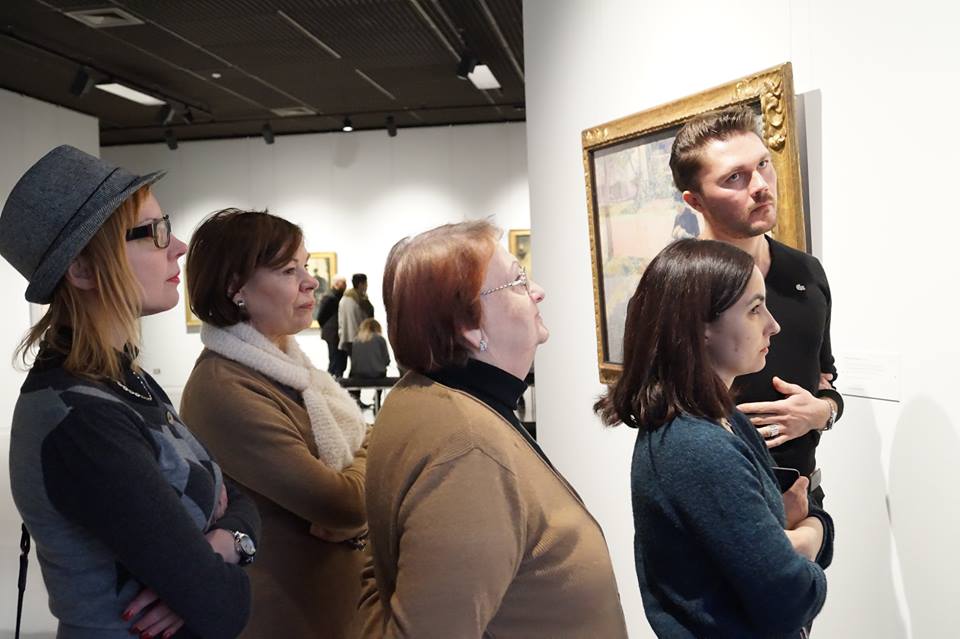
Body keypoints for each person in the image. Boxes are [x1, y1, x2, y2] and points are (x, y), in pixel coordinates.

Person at [0, 146, 260, 639]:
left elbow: (240, 500)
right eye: (154, 232)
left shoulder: (126, 381)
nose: (178, 246)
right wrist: (212, 570)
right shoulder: (81, 419)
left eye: (168, 225)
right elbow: (223, 606)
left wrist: (221, 545)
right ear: (83, 270)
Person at [358, 221, 628, 638]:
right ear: (469, 326)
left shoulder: (427, 398)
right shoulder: (468, 450)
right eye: (518, 282)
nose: (538, 291)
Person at [596, 238, 834, 637]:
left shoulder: (720, 419)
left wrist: (789, 537)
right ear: (701, 326)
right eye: (755, 309)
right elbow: (791, 597)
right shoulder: (696, 445)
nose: (773, 325)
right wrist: (812, 533)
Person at [180, 209, 368, 639]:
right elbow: (342, 504)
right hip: (282, 615)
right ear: (235, 287)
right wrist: (364, 482)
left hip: (328, 606)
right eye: (288, 270)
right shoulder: (225, 386)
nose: (311, 281)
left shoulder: (291, 369)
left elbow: (367, 447)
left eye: (305, 265)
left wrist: (363, 467)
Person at [670, 107, 843, 506]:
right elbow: (654, 414)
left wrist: (821, 413)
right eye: (735, 177)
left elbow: (826, 379)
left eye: (763, 164)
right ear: (695, 200)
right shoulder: (676, 287)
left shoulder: (806, 271)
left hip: (804, 494)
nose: (761, 186)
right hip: (718, 503)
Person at [317, 275, 348, 377]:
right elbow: (321, 316)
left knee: (341, 360)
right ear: (336, 284)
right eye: (343, 283)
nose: (345, 286)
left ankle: (337, 378)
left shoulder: (342, 297)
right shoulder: (329, 297)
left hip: (339, 332)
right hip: (332, 333)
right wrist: (328, 327)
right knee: (334, 360)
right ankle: (331, 380)